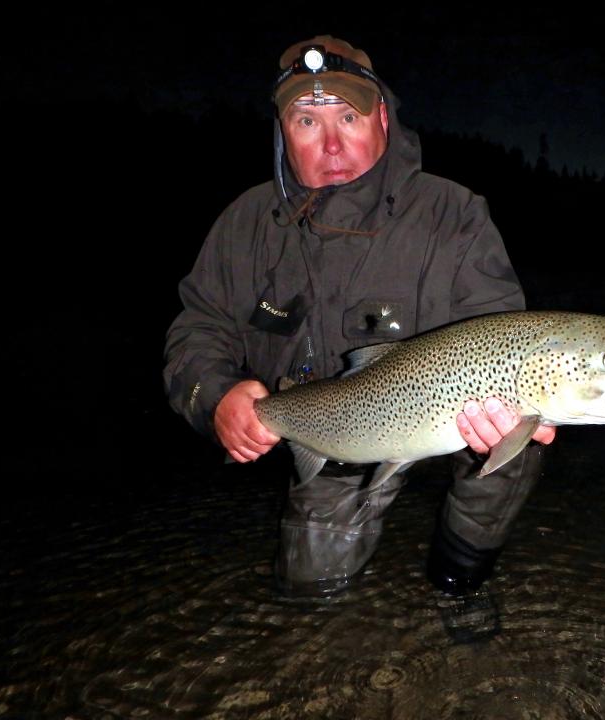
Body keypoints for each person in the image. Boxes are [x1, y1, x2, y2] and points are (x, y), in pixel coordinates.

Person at [163, 35, 554, 599]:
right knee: (309, 593)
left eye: (349, 116)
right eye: (306, 122)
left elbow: (500, 331)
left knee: (517, 448)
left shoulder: (454, 214)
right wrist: (215, 397)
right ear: (283, 133)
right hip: (336, 435)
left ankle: (458, 583)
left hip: (452, 419)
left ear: (384, 122)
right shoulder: (244, 225)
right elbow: (197, 329)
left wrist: (523, 407)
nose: (331, 145)